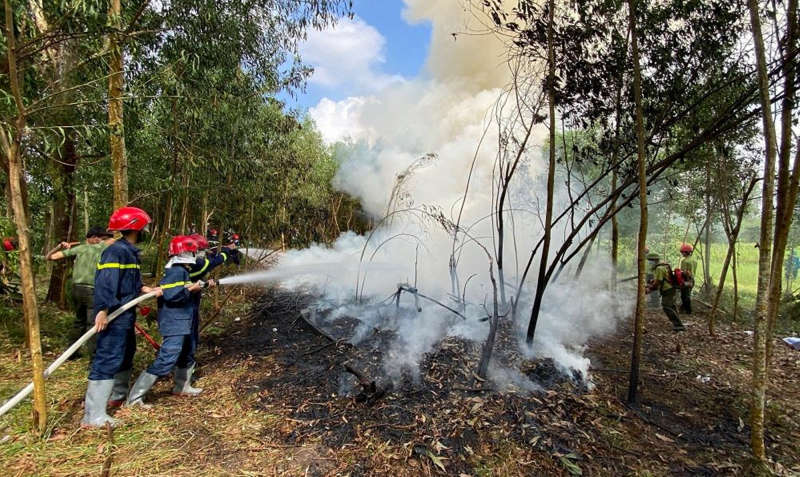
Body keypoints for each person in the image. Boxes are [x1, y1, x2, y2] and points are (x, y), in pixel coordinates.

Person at [81, 207, 161, 427]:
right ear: (135, 227)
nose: (146, 230)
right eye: (144, 226)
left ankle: (117, 396)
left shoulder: (129, 251)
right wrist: (102, 310)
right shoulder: (116, 251)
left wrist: (144, 289)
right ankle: (94, 415)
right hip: (114, 315)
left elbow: (127, 281)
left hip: (125, 314)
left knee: (126, 354)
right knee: (108, 358)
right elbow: (107, 281)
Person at [127, 236, 205, 406]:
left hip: (184, 320)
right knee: (167, 357)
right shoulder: (176, 271)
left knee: (187, 351)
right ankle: (134, 398)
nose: (195, 254)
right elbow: (172, 295)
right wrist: (193, 288)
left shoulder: (182, 270)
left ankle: (181, 387)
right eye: (192, 251)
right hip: (174, 322)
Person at [46, 227, 115, 361]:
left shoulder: (81, 248)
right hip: (90, 291)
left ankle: (71, 353)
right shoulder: (103, 248)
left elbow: (50, 257)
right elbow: (114, 241)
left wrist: (59, 246)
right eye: (102, 238)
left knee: (79, 321)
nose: (104, 241)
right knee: (94, 324)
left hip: (76, 289)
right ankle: (94, 359)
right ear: (95, 238)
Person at [186, 233, 238, 376]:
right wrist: (228, 250)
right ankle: (184, 379)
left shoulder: (180, 264)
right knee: (189, 340)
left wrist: (204, 284)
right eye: (202, 250)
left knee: (188, 339)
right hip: (187, 307)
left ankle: (184, 377)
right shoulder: (199, 263)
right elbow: (217, 260)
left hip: (185, 305)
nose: (204, 253)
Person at [645, 252, 686, 331]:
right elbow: (662, 278)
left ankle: (679, 325)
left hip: (667, 289)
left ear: (655, 260)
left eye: (651, 260)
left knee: (666, 306)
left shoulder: (659, 268)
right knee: (671, 306)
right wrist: (652, 282)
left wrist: (650, 288)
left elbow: (658, 281)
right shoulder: (663, 266)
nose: (650, 262)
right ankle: (678, 322)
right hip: (670, 288)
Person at [678, 243, 697, 314]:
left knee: (684, 295)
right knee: (687, 294)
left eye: (682, 252)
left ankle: (687, 310)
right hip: (692, 279)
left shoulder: (685, 261)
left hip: (686, 279)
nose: (682, 253)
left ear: (685, 252)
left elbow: (683, 272)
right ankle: (685, 309)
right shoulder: (694, 261)